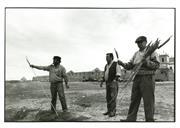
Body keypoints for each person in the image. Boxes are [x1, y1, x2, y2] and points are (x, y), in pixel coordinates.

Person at [118, 36, 160, 122]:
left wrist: (146, 62)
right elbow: (130, 65)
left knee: (148, 100)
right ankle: (131, 118)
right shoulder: (136, 54)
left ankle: (149, 120)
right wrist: (122, 64)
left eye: (140, 42)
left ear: (145, 42)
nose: (139, 44)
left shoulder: (152, 52)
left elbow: (157, 65)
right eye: (137, 43)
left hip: (147, 78)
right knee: (134, 99)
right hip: (137, 78)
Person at [100, 53, 122, 117]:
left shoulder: (116, 64)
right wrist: (102, 82)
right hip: (107, 83)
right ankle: (109, 110)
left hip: (113, 83)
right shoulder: (106, 66)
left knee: (113, 97)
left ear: (111, 58)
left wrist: (115, 80)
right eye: (106, 57)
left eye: (108, 57)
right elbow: (105, 74)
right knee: (108, 97)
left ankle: (113, 112)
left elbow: (118, 73)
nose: (106, 59)